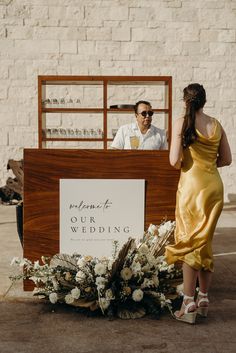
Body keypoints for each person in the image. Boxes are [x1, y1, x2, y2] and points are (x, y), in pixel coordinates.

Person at [165, 83, 232, 324]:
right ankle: (203, 297)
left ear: (185, 102)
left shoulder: (181, 123)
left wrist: (185, 155)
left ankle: (188, 303)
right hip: (213, 186)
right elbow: (226, 159)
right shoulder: (216, 124)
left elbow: (174, 160)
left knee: (189, 241)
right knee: (204, 241)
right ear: (204, 101)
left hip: (191, 188)